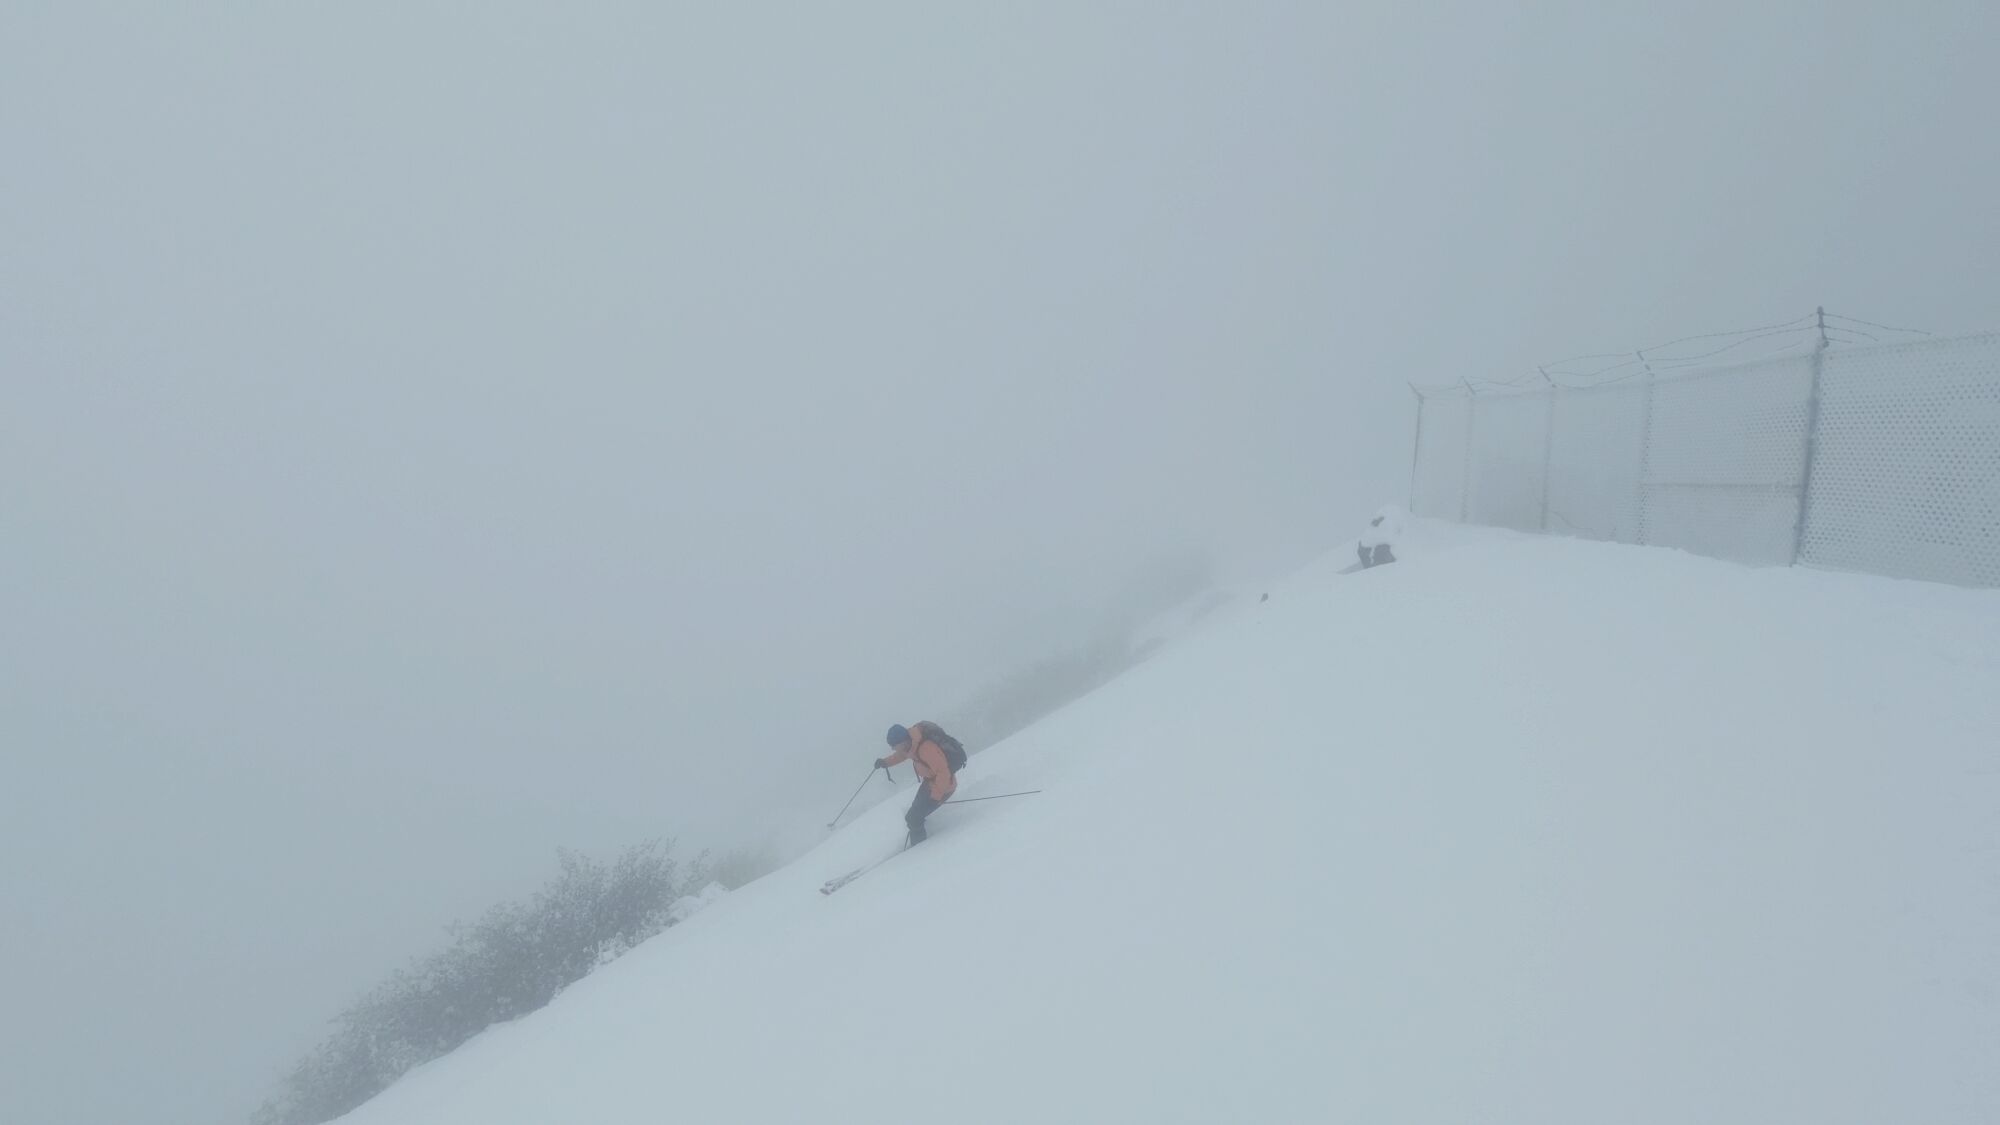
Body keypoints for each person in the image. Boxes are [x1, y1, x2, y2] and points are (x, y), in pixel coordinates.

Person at [874, 721, 958, 845]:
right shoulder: (911, 745)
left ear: (902, 741)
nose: (892, 748)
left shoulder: (926, 748)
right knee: (912, 816)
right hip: (930, 783)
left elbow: (943, 773)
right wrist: (885, 762)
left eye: (893, 745)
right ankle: (920, 839)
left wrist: (936, 796)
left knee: (914, 818)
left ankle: (919, 850)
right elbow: (900, 755)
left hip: (943, 787)